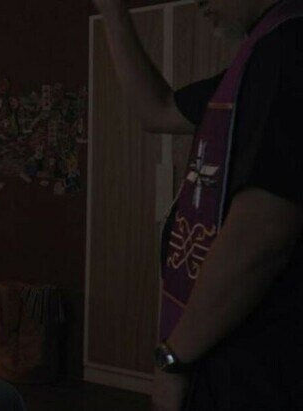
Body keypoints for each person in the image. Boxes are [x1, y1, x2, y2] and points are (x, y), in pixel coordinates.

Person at [92, 0, 303, 409]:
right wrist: (113, 12)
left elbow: (262, 233)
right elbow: (156, 111)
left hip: (267, 369)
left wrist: (174, 358)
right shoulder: (256, 64)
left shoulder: (289, 48)